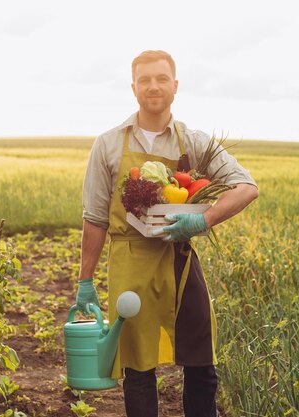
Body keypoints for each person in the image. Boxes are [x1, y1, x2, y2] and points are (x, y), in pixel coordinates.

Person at [76, 50, 258, 417]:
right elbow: (94, 218)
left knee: (202, 365)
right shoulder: (109, 144)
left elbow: (246, 186)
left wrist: (203, 220)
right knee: (138, 370)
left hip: (180, 259)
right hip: (131, 263)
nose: (153, 86)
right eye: (144, 80)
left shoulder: (193, 141)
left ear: (175, 86)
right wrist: (85, 281)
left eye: (161, 79)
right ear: (133, 88)